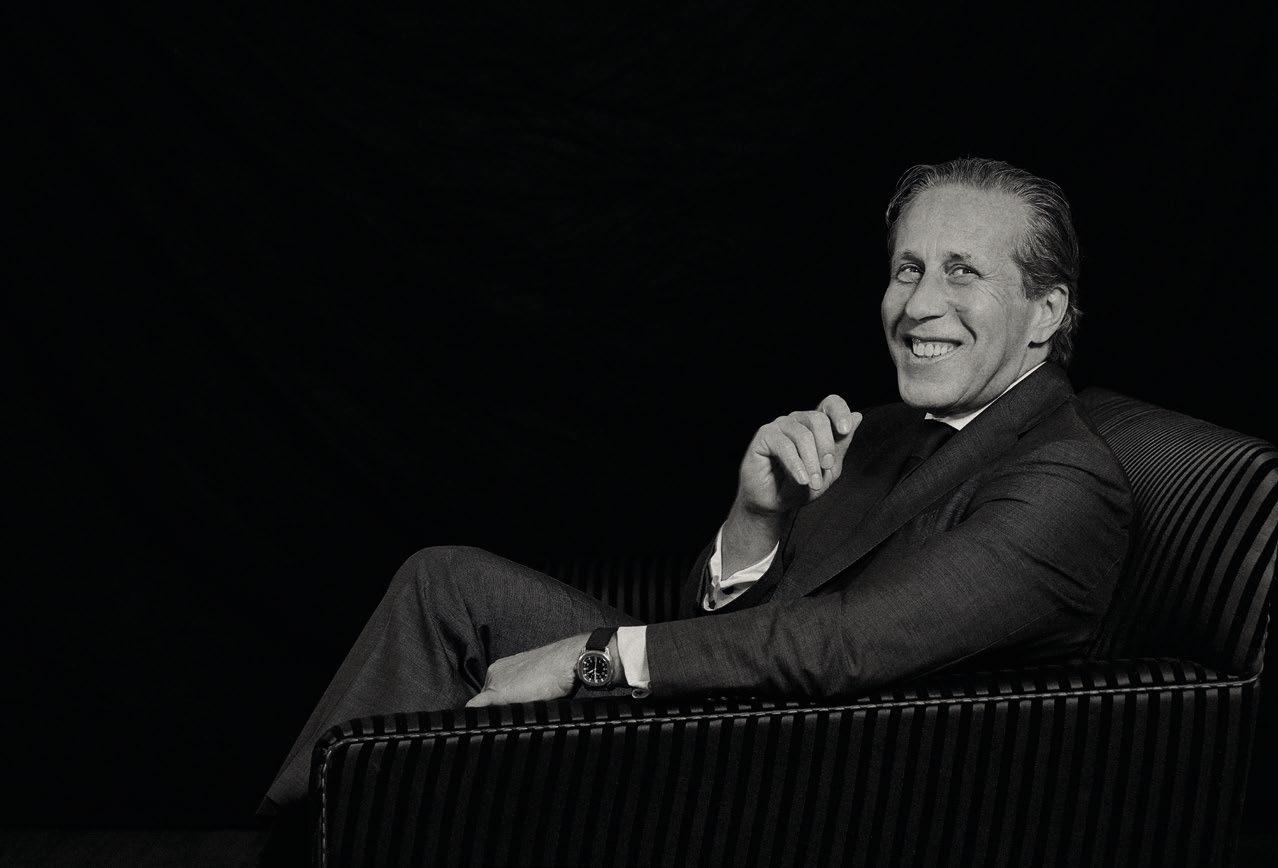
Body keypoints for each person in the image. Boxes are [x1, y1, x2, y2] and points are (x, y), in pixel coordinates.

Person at [258, 157, 1133, 847]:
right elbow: (719, 624)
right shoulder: (883, 432)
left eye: (961, 272)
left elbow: (845, 643)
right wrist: (757, 517)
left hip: (828, 790)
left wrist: (590, 659)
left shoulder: (1064, 478)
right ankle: (301, 842)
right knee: (446, 583)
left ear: (1045, 312)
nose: (919, 305)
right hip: (744, 725)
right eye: (908, 269)